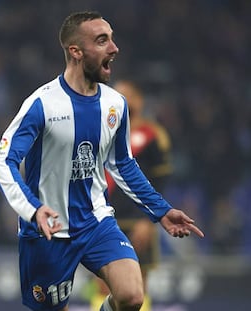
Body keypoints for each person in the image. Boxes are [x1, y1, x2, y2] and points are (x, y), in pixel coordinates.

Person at [0, 11, 204, 311]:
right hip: (48, 229)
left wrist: (161, 211)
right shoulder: (41, 104)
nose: (114, 48)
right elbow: (3, 162)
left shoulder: (115, 104)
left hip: (95, 221)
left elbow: (123, 165)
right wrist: (33, 209)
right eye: (102, 41)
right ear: (75, 51)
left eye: (112, 39)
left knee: (131, 295)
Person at [90, 80, 173, 311]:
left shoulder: (153, 135)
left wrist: (149, 220)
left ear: (139, 100)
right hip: (103, 220)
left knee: (137, 286)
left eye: (127, 95)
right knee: (103, 283)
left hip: (138, 223)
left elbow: (161, 181)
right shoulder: (99, 130)